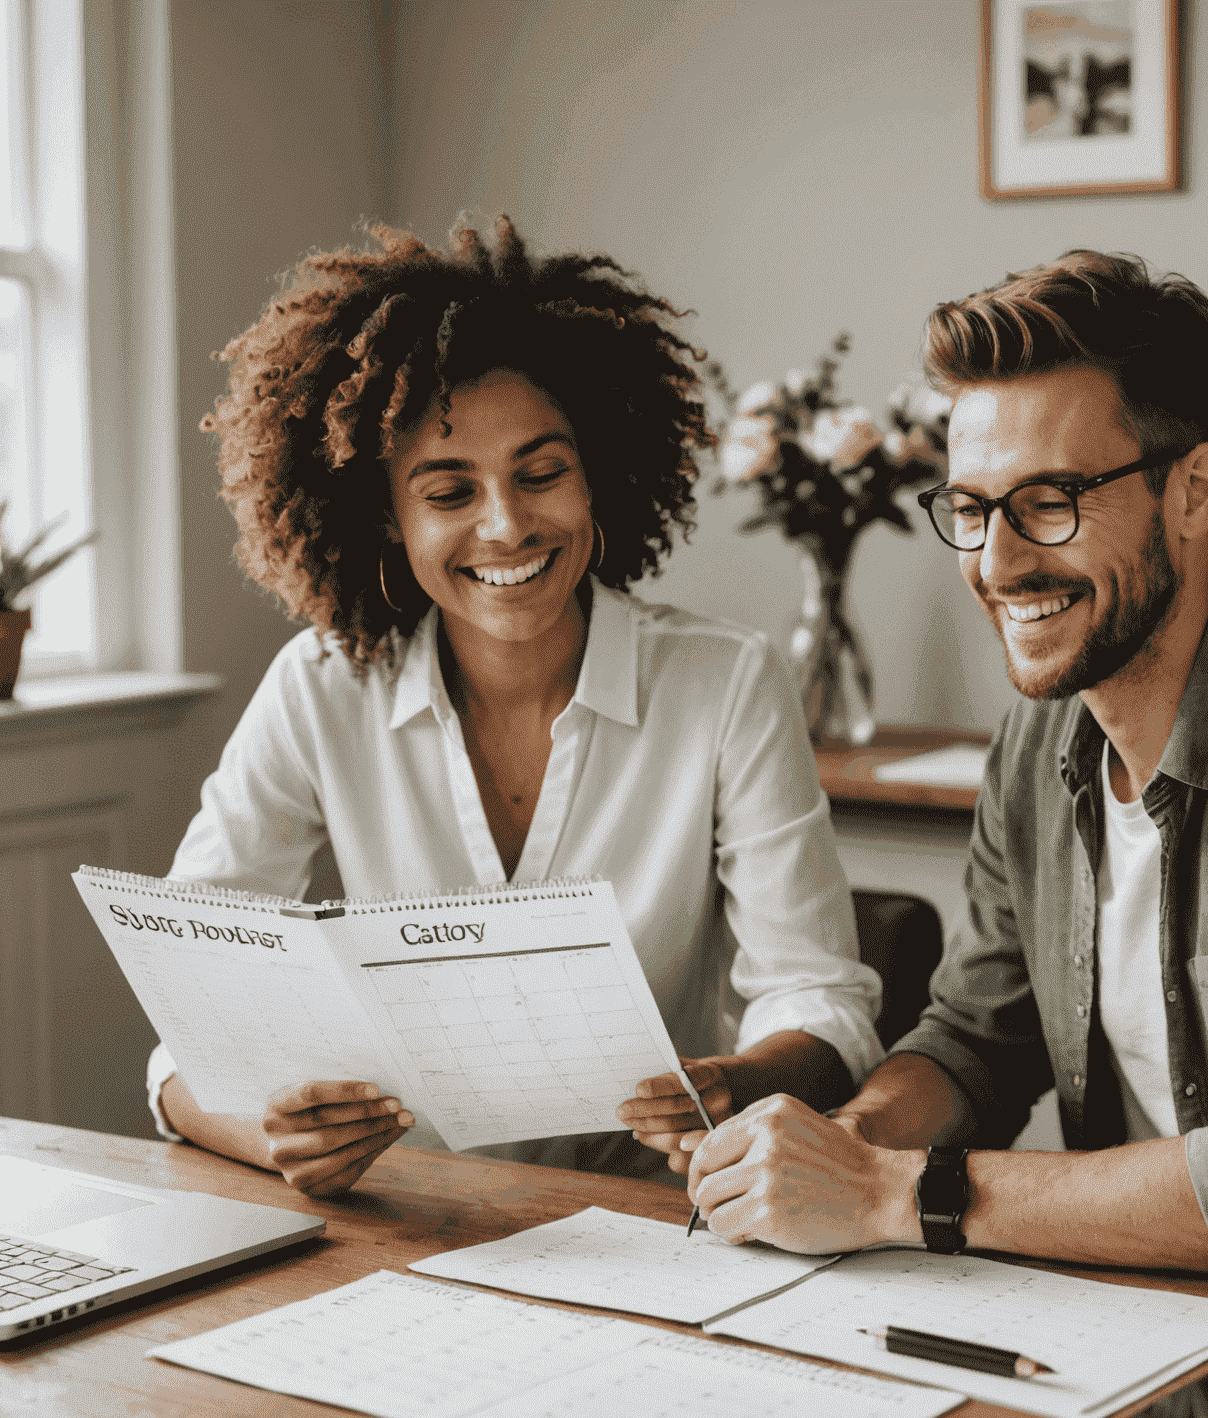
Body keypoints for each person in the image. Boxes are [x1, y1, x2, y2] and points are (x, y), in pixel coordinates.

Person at [685, 251, 1208, 1298]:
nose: (998, 562)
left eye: (1049, 501)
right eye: (971, 508)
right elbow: (977, 1039)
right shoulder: (1043, 733)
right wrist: (840, 1145)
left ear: (1194, 490)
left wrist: (895, 1193)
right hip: (1136, 1310)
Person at [147, 217, 883, 1196]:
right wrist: (269, 1136)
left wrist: (736, 1083)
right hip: (401, 1216)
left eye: (542, 474)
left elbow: (823, 999)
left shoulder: (724, 682)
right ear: (387, 519)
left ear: (600, 474)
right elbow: (189, 1017)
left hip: (652, 1219)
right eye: (450, 491)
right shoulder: (320, 688)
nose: (508, 525)